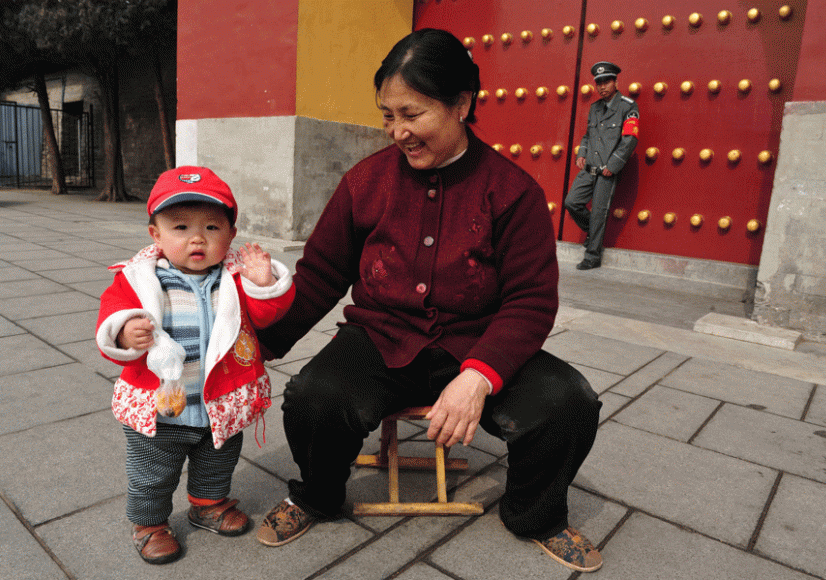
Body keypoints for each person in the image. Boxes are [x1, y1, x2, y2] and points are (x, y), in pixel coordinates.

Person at [255, 29, 604, 573]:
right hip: (380, 337)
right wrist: (260, 340)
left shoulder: (512, 192)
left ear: (462, 104)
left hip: (479, 341)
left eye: (412, 114)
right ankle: (317, 496)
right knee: (313, 399)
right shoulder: (364, 182)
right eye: (387, 115)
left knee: (568, 403)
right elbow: (321, 273)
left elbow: (531, 301)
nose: (397, 132)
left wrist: (479, 375)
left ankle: (535, 515)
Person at [95, 166, 295, 565]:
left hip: (221, 403)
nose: (197, 238)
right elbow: (111, 315)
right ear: (156, 234)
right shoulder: (138, 279)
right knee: (152, 473)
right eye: (181, 227)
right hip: (160, 410)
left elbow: (267, 314)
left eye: (212, 228)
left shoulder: (234, 280)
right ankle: (149, 524)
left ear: (231, 235)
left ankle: (208, 505)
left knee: (217, 461)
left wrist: (262, 283)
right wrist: (122, 334)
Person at [564, 61, 639, 270]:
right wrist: (582, 153)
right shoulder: (595, 108)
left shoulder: (627, 106)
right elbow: (588, 136)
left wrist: (613, 165)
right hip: (590, 168)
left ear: (616, 82)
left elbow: (630, 139)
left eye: (606, 81)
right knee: (571, 202)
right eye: (599, 82)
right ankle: (593, 231)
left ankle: (592, 256)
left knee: (598, 212)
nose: (602, 86)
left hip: (607, 171)